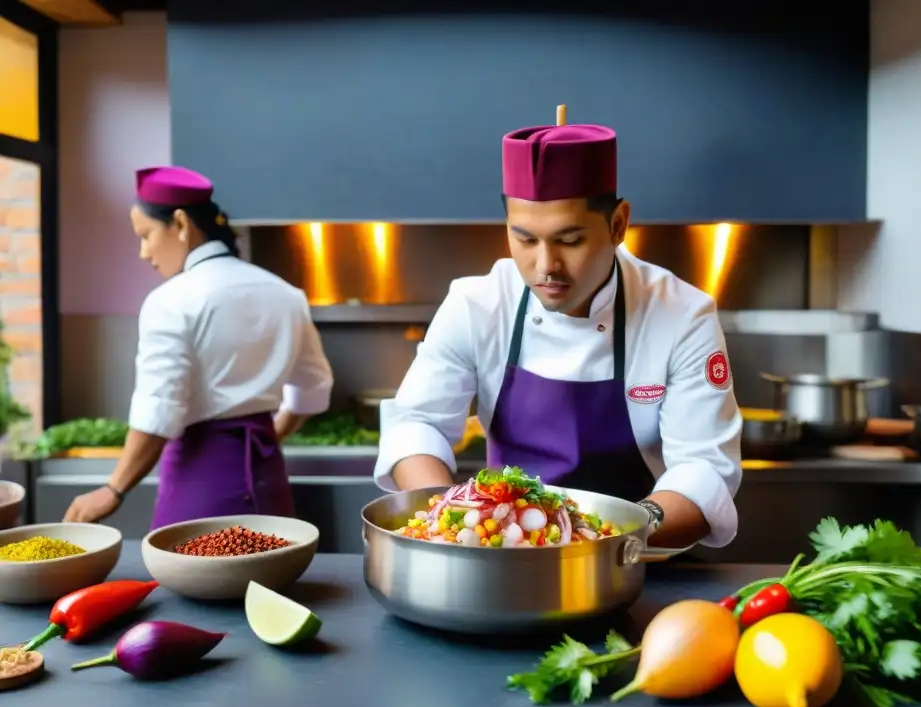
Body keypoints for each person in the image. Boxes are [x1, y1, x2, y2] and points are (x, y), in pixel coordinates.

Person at [372, 107, 743, 551]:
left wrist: (609, 537)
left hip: (637, 560)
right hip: (501, 557)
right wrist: (453, 520)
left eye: (569, 240)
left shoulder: (681, 315)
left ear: (618, 224)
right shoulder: (477, 304)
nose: (546, 266)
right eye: (525, 239)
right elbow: (417, 422)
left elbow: (703, 468)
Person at [64, 166, 334, 529]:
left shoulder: (171, 301)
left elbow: (157, 412)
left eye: (145, 234)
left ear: (180, 223)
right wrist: (270, 438)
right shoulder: (287, 294)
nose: (144, 252)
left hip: (200, 487)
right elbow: (313, 391)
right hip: (269, 480)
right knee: (271, 583)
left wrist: (114, 489)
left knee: (193, 582)